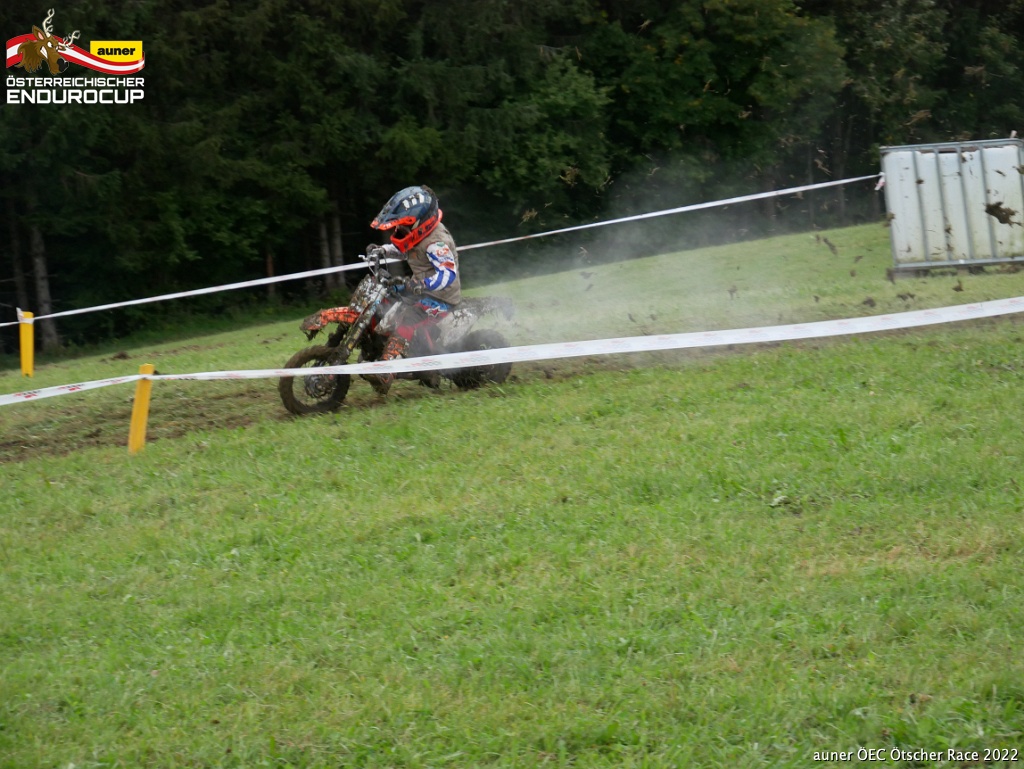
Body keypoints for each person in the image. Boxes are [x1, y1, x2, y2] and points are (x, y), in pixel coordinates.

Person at [363, 185, 461, 395]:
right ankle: (377, 346)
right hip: (419, 288)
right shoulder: (418, 236)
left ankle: (386, 372)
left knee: (407, 319)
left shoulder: (436, 243)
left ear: (420, 222)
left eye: (404, 226)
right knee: (384, 296)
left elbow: (447, 274)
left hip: (440, 297)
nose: (399, 230)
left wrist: (422, 285)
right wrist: (382, 250)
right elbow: (404, 249)